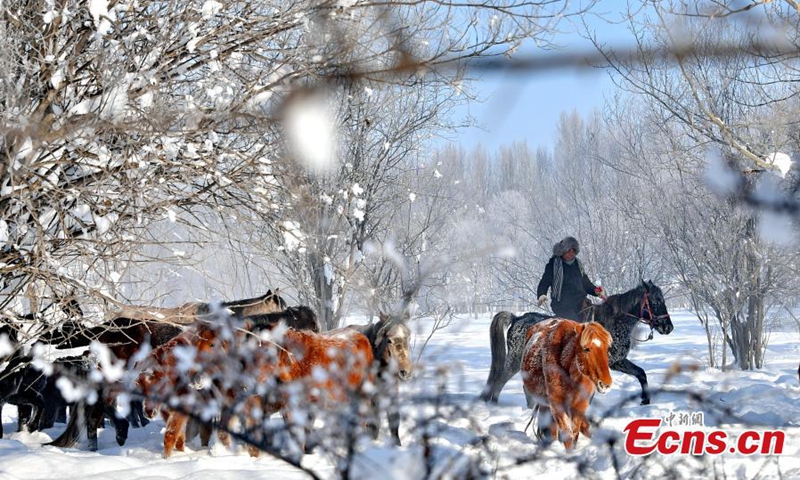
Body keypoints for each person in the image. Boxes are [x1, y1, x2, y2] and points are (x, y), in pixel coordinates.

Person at [536, 236, 604, 321]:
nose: (570, 254)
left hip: (580, 303)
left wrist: (596, 291)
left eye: (573, 252)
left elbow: (586, 284)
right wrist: (542, 294)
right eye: (568, 251)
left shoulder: (578, 265)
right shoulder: (553, 265)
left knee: (595, 319)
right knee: (573, 322)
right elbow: (544, 282)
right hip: (562, 305)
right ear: (562, 251)